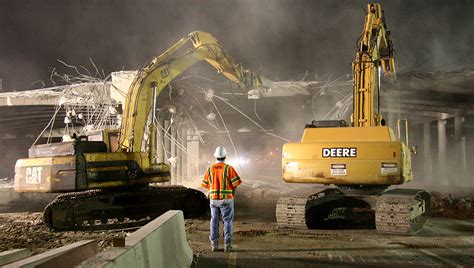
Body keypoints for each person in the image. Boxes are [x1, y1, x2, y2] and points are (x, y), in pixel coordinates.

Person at [201, 146, 242, 252]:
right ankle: (227, 245)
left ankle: (214, 245)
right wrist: (232, 194)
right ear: (225, 156)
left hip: (213, 200)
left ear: (216, 156)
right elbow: (235, 184)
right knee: (227, 221)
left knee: (214, 221)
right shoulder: (229, 168)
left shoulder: (210, 169)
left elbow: (205, 185)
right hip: (226, 200)